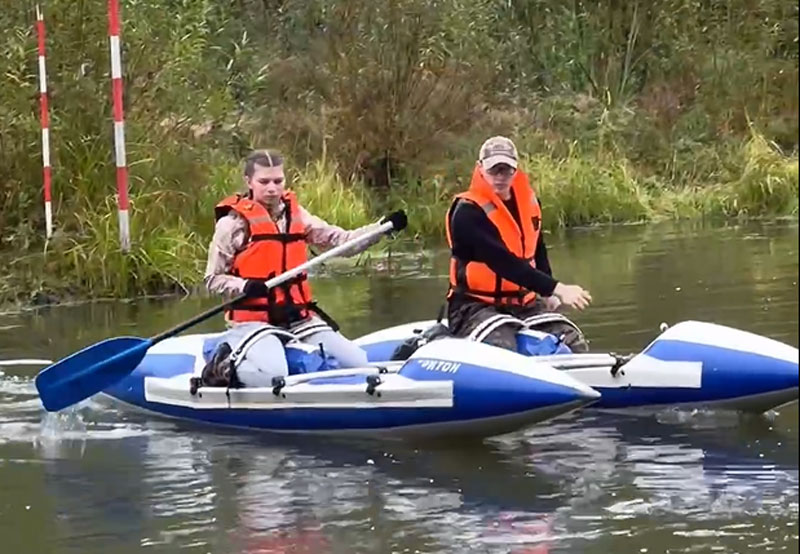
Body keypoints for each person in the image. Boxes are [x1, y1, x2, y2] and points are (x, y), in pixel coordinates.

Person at [203, 149, 407, 387]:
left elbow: (342, 242)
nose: (272, 189)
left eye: (278, 181)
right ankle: (223, 362)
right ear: (249, 182)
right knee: (273, 376)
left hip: (298, 318)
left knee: (359, 363)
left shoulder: (297, 216)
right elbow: (212, 279)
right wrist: (244, 285)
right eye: (264, 182)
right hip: (253, 322)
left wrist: (381, 228)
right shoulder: (232, 225)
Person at [444, 136, 592, 352]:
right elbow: (503, 262)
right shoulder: (467, 212)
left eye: (506, 170)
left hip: (524, 303)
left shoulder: (530, 203)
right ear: (480, 168)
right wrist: (558, 288)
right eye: (494, 170)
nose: (500, 177)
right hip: (474, 305)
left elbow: (537, 250)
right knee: (503, 347)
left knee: (572, 340)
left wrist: (548, 295)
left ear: (515, 170)